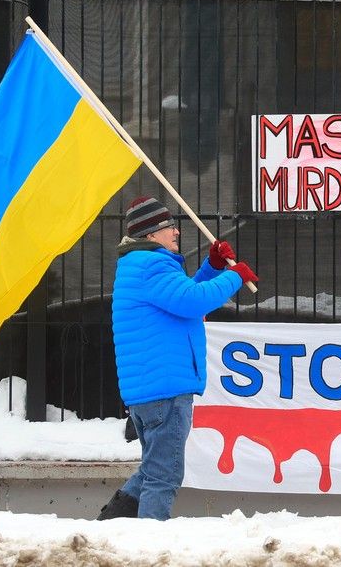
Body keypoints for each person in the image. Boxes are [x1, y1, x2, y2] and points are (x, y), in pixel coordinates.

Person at [98, 195, 258, 521]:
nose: (176, 232)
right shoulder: (152, 265)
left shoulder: (141, 265)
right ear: (152, 233)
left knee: (151, 470)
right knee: (164, 476)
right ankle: (148, 546)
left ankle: (107, 530)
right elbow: (192, 302)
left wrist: (212, 267)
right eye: (170, 226)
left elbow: (180, 297)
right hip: (166, 392)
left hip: (153, 391)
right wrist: (234, 276)